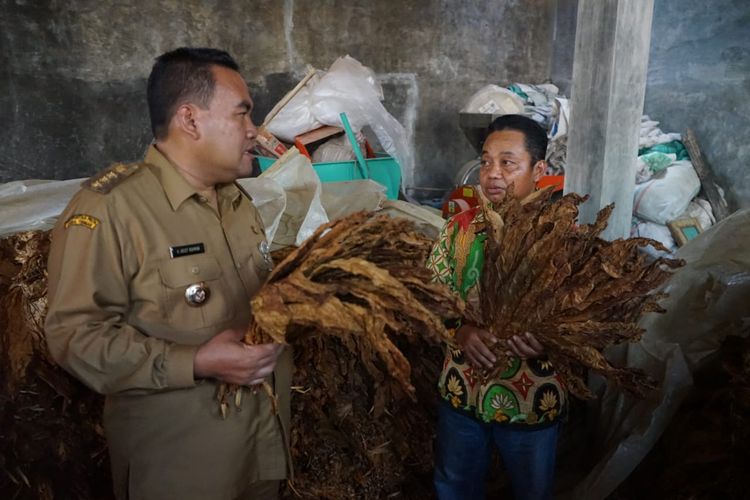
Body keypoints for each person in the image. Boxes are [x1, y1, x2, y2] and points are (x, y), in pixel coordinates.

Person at [45, 48, 291, 500]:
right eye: (242, 115)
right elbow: (74, 336)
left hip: (259, 451)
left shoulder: (238, 203)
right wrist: (194, 361)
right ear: (191, 120)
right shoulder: (111, 209)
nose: (254, 132)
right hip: (182, 468)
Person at [428, 114, 566, 500]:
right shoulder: (460, 229)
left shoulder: (561, 237)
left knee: (531, 492)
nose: (492, 173)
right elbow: (429, 297)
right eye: (486, 161)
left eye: (508, 162)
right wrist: (460, 330)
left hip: (532, 400)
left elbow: (585, 318)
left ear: (538, 170)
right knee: (454, 487)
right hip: (462, 394)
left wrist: (550, 339)